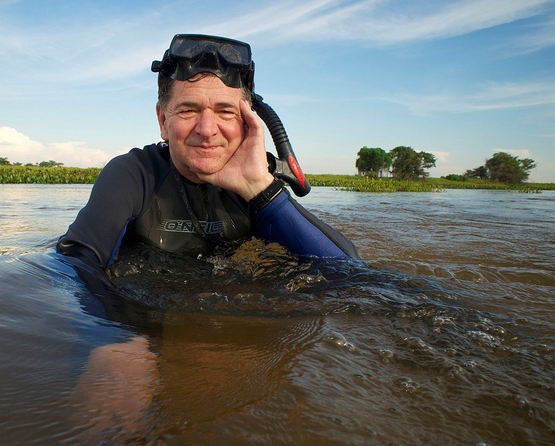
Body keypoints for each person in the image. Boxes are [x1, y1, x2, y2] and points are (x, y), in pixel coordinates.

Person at [56, 34, 360, 275]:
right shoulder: (135, 175)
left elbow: (347, 272)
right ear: (163, 121)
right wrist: (114, 333)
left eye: (225, 112)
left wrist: (260, 190)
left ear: (247, 121)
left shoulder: (255, 183)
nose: (206, 128)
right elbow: (74, 264)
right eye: (188, 110)